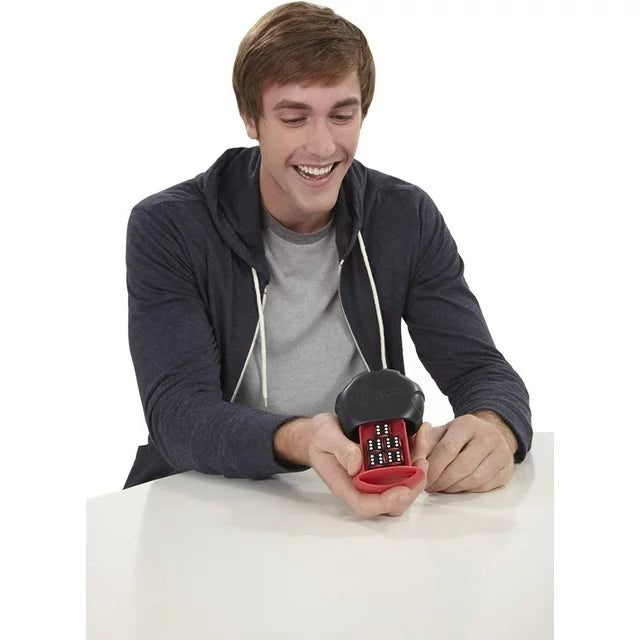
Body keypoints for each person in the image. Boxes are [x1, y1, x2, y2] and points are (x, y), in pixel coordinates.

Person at [124, 1, 532, 517]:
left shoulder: (404, 216)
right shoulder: (171, 226)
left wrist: (496, 427)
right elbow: (177, 414)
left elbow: (479, 368)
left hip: (361, 510)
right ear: (251, 119)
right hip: (207, 502)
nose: (322, 146)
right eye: (294, 118)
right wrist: (302, 439)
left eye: (342, 115)